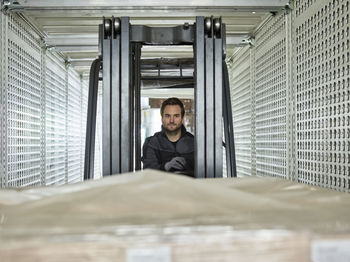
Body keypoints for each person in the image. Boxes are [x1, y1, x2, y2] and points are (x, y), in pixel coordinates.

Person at [142, 97, 194, 177]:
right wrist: (166, 166)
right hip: (160, 188)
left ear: (182, 119)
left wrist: (187, 164)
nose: (171, 121)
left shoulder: (194, 143)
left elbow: (204, 173)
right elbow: (148, 173)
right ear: (162, 118)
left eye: (176, 116)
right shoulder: (151, 143)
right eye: (167, 116)